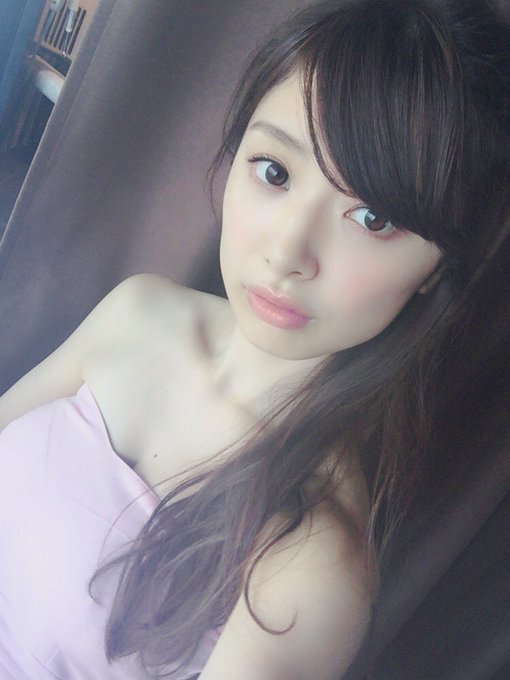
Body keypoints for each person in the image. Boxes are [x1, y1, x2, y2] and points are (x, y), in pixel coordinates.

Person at [1, 0, 509, 678]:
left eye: (373, 217)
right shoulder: (139, 311)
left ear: (437, 269)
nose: (287, 252)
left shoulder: (309, 559)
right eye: (275, 172)